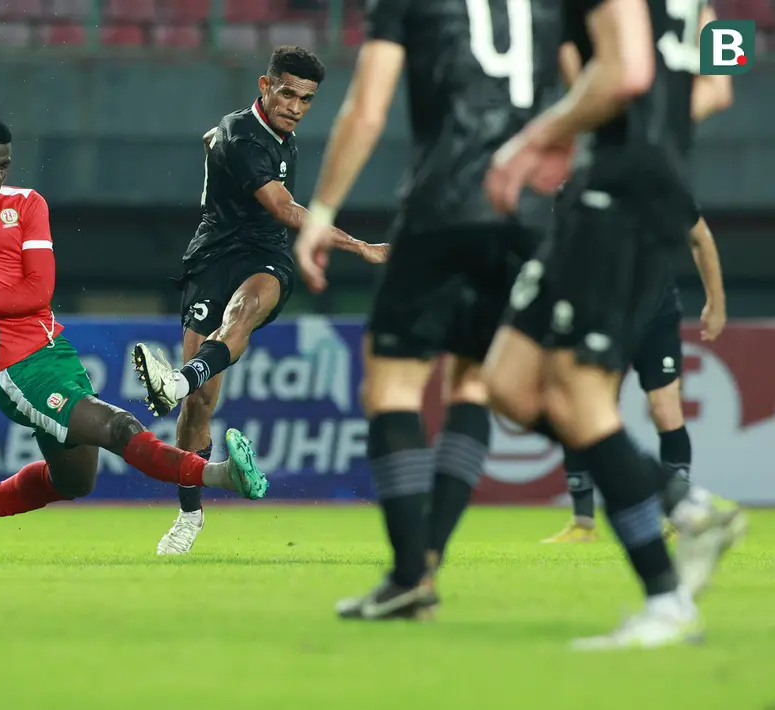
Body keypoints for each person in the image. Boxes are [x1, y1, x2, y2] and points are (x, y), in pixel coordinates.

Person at [0, 115, 270, 560]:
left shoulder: (28, 204)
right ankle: (223, 475)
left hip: (55, 350)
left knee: (74, 481)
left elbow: (37, 292)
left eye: (4, 164)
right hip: (13, 367)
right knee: (119, 427)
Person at [484, 0, 745, 648]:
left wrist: (536, 138)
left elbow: (623, 74)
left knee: (575, 394)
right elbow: (718, 85)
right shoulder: (702, 8)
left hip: (617, 194)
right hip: (622, 185)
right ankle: (679, 500)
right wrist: (639, 126)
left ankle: (665, 598)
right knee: (509, 385)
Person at [291, 0, 563, 619]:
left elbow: (367, 109)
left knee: (391, 386)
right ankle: (426, 560)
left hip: (445, 206)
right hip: (527, 214)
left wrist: (324, 213)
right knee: (474, 384)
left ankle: (410, 572)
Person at [130, 45, 387, 555]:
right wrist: (358, 245)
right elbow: (283, 207)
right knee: (200, 406)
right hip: (212, 257)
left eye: (307, 99)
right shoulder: (243, 135)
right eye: (287, 93)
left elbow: (239, 168)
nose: (295, 106)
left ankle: (175, 381)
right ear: (265, 86)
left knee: (243, 313)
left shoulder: (267, 135)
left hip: (265, 256)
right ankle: (188, 516)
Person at [543, 7, 731, 543]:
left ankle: (676, 510)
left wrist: (627, 123)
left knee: (597, 398)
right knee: (574, 396)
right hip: (636, 186)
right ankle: (596, 518)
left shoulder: (614, 16)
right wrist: (663, 119)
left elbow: (576, 69)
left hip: (625, 218)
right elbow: (723, 88)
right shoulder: (701, 12)